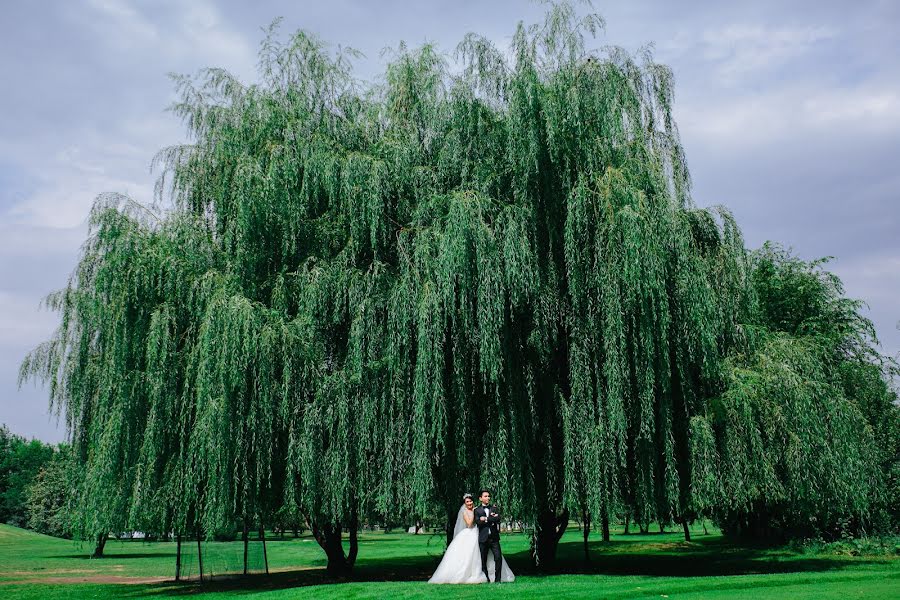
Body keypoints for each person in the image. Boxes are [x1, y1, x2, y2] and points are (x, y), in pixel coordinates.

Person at [427, 491, 515, 584]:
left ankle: (497, 579)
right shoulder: (468, 512)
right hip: (471, 534)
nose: (469, 503)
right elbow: (470, 524)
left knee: (496, 557)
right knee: (476, 557)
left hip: (485, 534)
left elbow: (496, 519)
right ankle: (480, 576)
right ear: (465, 504)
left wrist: (485, 518)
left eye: (470, 501)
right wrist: (474, 513)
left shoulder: (485, 509)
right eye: (467, 502)